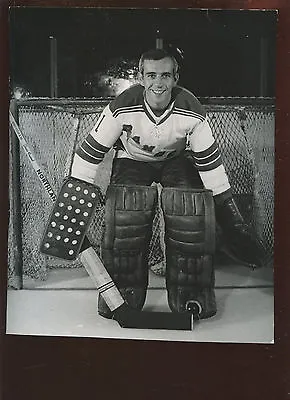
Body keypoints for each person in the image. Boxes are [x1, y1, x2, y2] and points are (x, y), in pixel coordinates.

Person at [70, 49, 266, 320]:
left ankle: (192, 295)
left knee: (190, 212)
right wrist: (75, 198)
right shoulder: (121, 106)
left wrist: (229, 214)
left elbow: (210, 166)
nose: (158, 83)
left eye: (165, 75)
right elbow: (89, 153)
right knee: (127, 213)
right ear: (140, 77)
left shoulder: (192, 110)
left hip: (176, 159)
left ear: (176, 78)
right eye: (151, 75)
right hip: (132, 160)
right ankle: (122, 295)